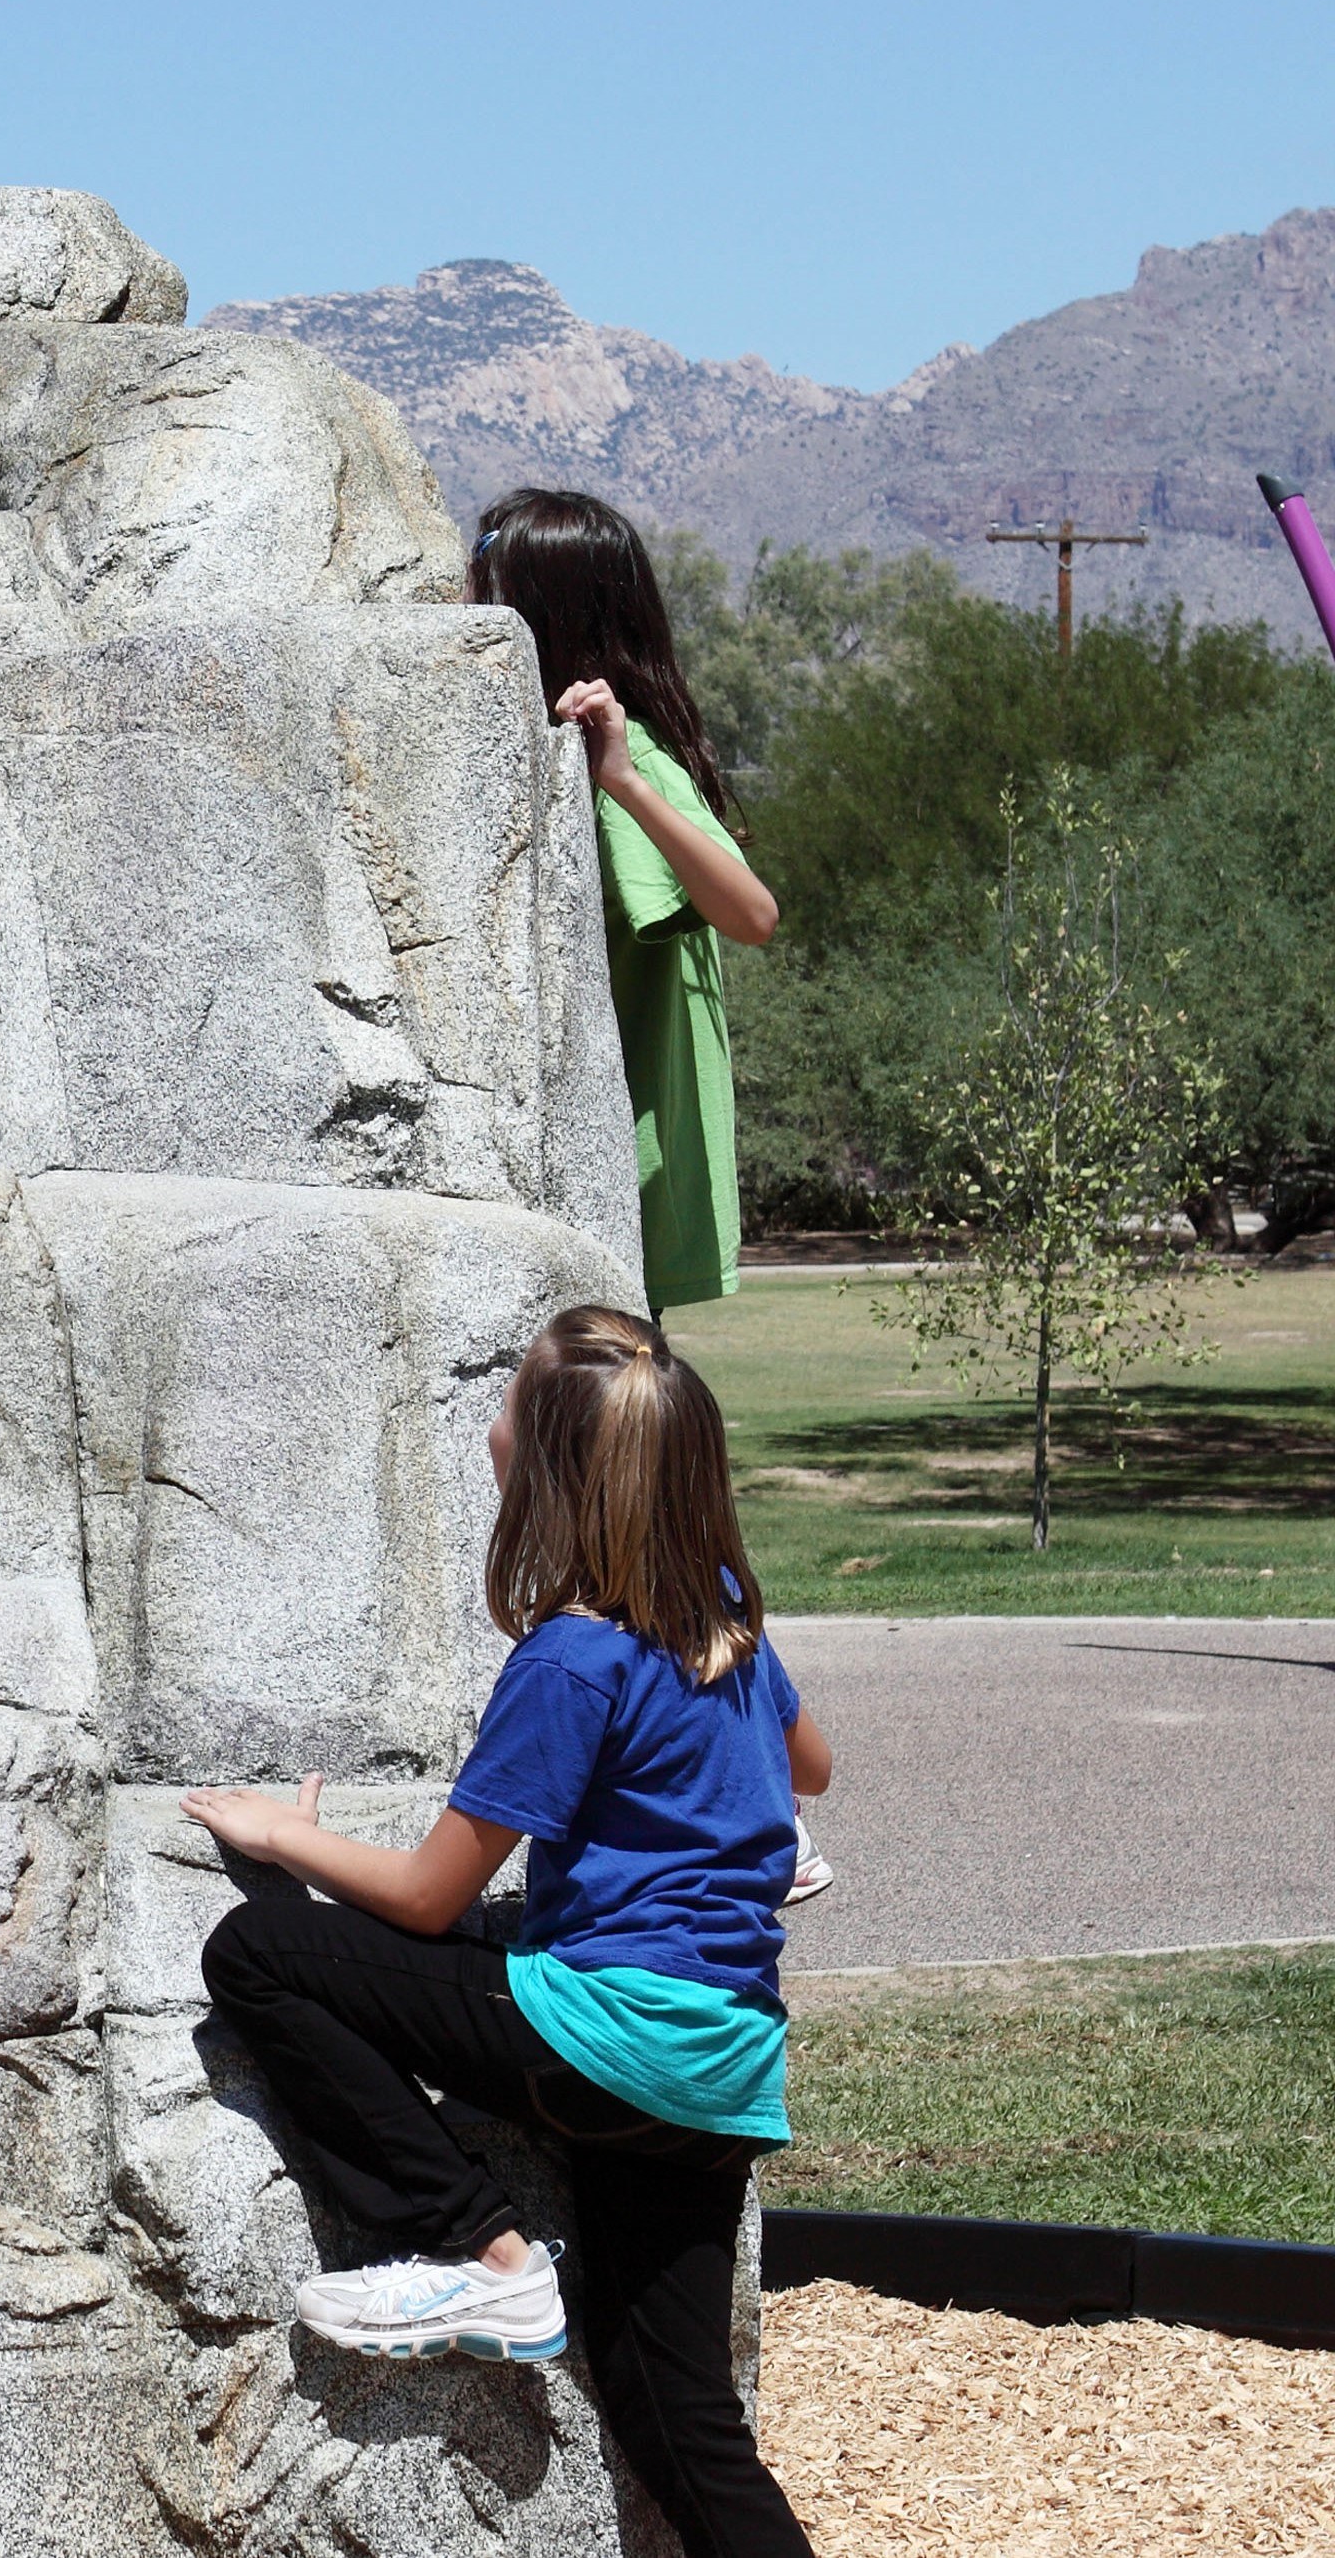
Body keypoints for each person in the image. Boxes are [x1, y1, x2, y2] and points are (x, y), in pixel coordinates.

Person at [184, 1306, 828, 2558]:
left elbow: (425, 1895)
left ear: (547, 1467)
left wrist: (284, 1835)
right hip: (725, 2062)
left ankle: (486, 2253)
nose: (488, 1427)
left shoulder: (570, 1658)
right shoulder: (727, 1615)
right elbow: (810, 1769)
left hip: (611, 2035)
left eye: (508, 1406)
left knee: (262, 1955)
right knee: (675, 2417)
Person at [466, 490, 830, 1903]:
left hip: (635, 1157)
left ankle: (760, 1791)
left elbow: (751, 912)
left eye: (492, 587)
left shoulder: (625, 749)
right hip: (575, 1156)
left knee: (650, 1478)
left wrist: (622, 778)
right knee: (607, 1485)